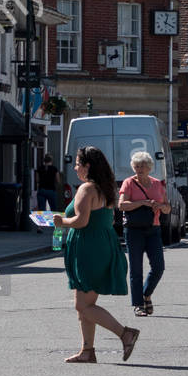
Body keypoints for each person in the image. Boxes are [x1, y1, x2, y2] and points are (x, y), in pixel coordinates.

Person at [53, 146, 139, 364]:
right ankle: (87, 351)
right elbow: (106, 221)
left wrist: (61, 222)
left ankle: (125, 334)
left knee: (82, 306)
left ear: (87, 166)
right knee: (85, 304)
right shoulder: (105, 188)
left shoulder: (86, 189)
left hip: (89, 250)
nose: (75, 167)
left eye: (78, 163)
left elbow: (81, 221)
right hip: (103, 246)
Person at [118, 150, 171, 317]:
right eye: (136, 166)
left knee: (158, 267)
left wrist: (160, 206)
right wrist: (143, 203)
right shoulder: (129, 183)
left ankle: (146, 293)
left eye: (142, 166)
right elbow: (122, 205)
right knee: (136, 269)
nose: (139, 169)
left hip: (153, 228)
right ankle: (138, 305)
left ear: (149, 168)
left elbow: (167, 208)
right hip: (133, 230)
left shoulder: (157, 184)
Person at [34, 154, 59, 225]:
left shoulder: (40, 168)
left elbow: (37, 180)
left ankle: (40, 227)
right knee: (54, 209)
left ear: (44, 161)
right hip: (51, 190)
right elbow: (58, 180)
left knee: (41, 209)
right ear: (51, 161)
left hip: (41, 190)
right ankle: (56, 226)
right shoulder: (54, 169)